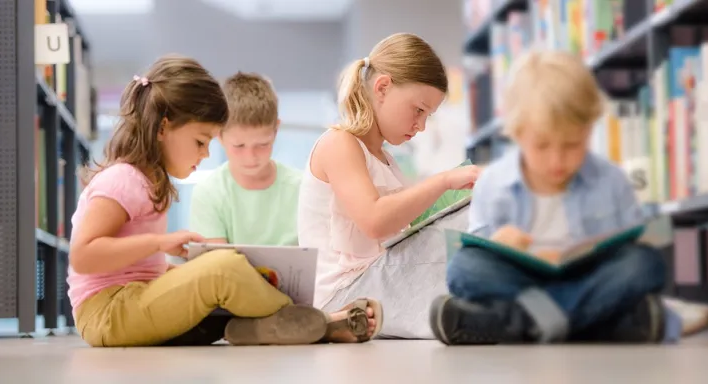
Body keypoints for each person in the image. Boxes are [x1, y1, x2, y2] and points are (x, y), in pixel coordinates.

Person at [66, 55, 380, 347]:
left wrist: (175, 266)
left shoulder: (149, 182)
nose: (204, 155)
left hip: (130, 300)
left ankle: (249, 329)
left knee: (218, 274)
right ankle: (323, 321)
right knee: (222, 268)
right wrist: (158, 243)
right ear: (164, 128)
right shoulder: (122, 178)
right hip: (107, 312)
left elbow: (135, 269)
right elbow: (83, 256)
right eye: (200, 142)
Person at [429, 50, 685, 345]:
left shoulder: (610, 180)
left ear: (589, 130)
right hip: (520, 285)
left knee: (644, 263)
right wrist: (499, 244)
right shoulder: (494, 183)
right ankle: (600, 327)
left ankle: (515, 324)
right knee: (465, 267)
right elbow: (477, 253)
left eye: (572, 145)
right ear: (517, 133)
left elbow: (631, 245)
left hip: (588, 282)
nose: (557, 160)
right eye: (542, 146)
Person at [297, 33, 482, 339]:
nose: (421, 126)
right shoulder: (339, 143)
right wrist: (445, 181)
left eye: (428, 116)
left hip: (371, 280)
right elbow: (375, 220)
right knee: (463, 227)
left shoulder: (384, 159)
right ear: (382, 88)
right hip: (343, 294)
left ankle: (480, 312)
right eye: (418, 110)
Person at [189, 72, 300, 246]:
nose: (251, 157)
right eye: (239, 146)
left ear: (276, 130)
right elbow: (216, 265)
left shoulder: (302, 188)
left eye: (263, 144)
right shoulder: (209, 192)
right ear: (219, 135)